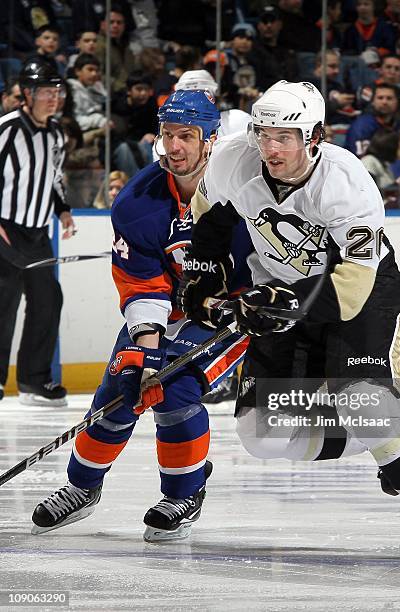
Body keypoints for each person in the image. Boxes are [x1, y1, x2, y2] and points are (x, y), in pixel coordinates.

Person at [178, 80, 400, 562]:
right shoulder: (235, 158)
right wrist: (202, 280)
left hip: (363, 295)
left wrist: (279, 302)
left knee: (363, 399)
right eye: (263, 134)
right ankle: (390, 437)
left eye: (285, 137)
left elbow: (352, 289)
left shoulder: (347, 183)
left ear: (314, 137)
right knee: (263, 434)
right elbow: (208, 220)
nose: (270, 148)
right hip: (282, 289)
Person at [31, 90, 251, 541]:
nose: (174, 146)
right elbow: (143, 286)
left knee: (173, 388)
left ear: (211, 139)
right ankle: (82, 486)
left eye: (186, 136)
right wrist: (144, 354)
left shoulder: (246, 190)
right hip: (171, 307)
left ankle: (184, 492)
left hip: (234, 309)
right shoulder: (138, 201)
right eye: (168, 134)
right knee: (124, 382)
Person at [0, 58, 75, 405]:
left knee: (48, 300)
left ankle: (33, 380)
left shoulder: (56, 132)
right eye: (44, 91)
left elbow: (54, 176)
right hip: (5, 230)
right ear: (27, 94)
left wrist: (62, 210)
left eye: (55, 91)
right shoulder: (8, 128)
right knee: (3, 305)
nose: (51, 98)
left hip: (36, 232)